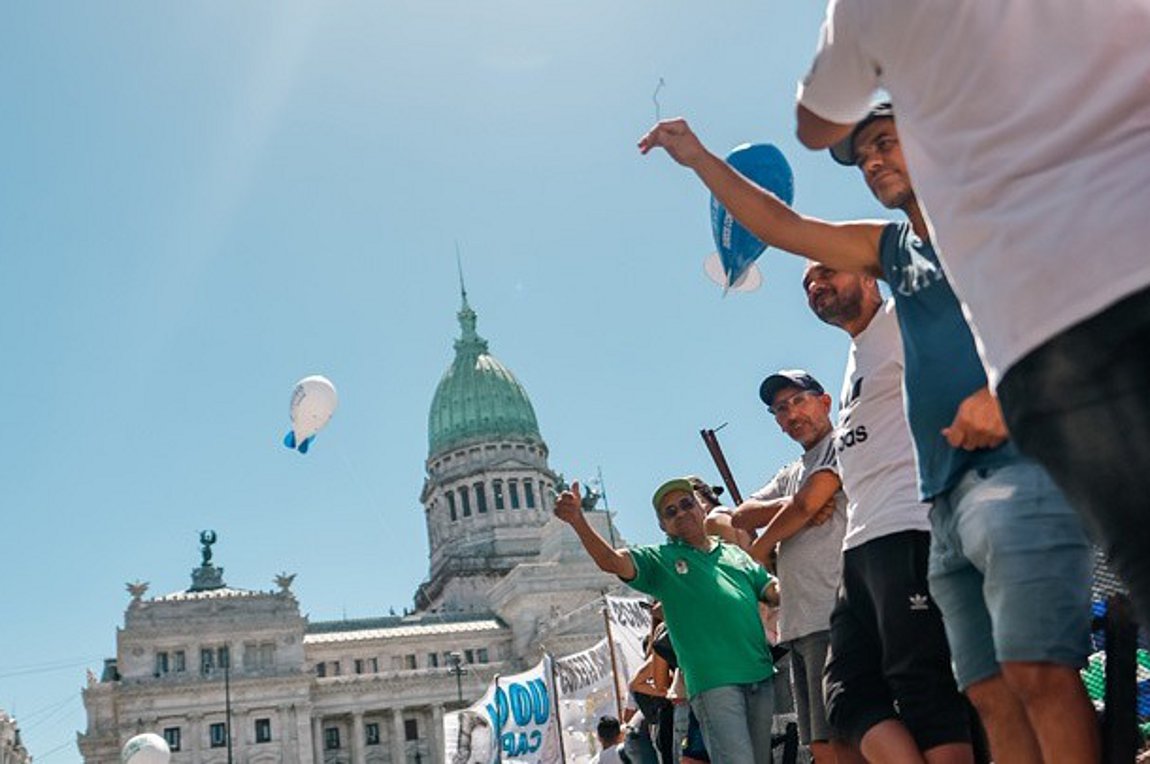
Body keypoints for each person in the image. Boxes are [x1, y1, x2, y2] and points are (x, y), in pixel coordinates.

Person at [638, 108, 1098, 763]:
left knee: (1034, 672)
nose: (873, 161)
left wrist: (1004, 393)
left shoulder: (985, 232)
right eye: (865, 155)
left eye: (886, 143)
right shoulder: (890, 264)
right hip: (933, 515)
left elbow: (1068, 295)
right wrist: (703, 162)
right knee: (982, 692)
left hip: (1000, 483)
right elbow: (787, 229)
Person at [790, 0, 1150, 625]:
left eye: (887, 141)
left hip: (1064, 338)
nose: (876, 160)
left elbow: (815, 121)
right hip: (1061, 335)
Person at [802, 263, 974, 763]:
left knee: (923, 684)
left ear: (870, 277)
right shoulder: (857, 355)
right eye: (807, 283)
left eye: (827, 271)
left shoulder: (904, 321)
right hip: (860, 546)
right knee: (846, 696)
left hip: (909, 526)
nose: (815, 286)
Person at [554, 478, 776, 764]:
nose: (681, 513)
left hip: (759, 674)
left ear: (701, 507)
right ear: (662, 526)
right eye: (670, 512)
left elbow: (770, 589)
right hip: (714, 682)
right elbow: (610, 560)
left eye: (686, 504)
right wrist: (577, 521)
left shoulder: (733, 554)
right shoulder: (661, 561)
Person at [731, 370, 852, 764]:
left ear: (825, 401)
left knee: (845, 735)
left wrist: (765, 547)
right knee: (820, 743)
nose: (790, 414)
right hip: (800, 624)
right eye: (780, 409)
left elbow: (809, 503)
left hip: (834, 613)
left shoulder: (842, 443)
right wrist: (792, 508)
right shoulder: (792, 472)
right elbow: (741, 515)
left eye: (798, 401)